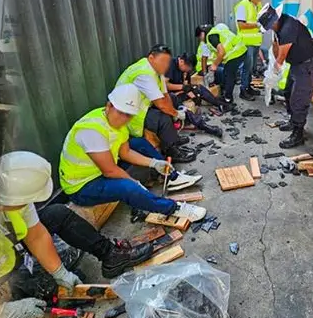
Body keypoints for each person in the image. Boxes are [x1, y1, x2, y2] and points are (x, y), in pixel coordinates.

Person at [0, 152, 155, 318]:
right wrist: (0, 311)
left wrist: (60, 273)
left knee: (56, 214)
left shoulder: (14, 199)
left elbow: (37, 235)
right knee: (38, 287)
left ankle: (111, 255)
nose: (28, 204)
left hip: (10, 251)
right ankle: (32, 300)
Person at [59, 84, 207, 220]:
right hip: (82, 186)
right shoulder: (91, 130)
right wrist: (136, 184)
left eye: (128, 115)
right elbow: (110, 171)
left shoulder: (119, 125)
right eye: (121, 112)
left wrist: (154, 163)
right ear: (109, 105)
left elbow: (126, 152)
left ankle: (172, 177)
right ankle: (173, 208)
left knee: (139, 143)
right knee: (127, 188)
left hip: (99, 171)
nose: (124, 118)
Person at [114, 44, 196, 163]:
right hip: (129, 114)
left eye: (167, 62)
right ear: (151, 58)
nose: (165, 65)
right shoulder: (144, 74)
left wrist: (174, 111)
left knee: (172, 99)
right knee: (162, 118)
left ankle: (172, 138)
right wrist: (176, 114)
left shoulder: (157, 72)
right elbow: (161, 104)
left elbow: (165, 95)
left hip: (142, 106)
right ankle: (171, 152)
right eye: (162, 61)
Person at [257, 5, 313, 149]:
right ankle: (293, 121)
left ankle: (298, 134)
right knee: (288, 93)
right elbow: (277, 47)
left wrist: (274, 72)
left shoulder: (288, 28)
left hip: (306, 66)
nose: (270, 29)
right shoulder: (280, 25)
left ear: (274, 21)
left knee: (299, 100)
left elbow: (282, 56)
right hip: (297, 65)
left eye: (269, 27)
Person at [164, 53, 225, 138]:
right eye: (187, 68)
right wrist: (182, 87)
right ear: (181, 62)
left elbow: (187, 85)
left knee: (198, 88)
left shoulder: (185, 68)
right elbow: (165, 85)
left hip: (180, 91)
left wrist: (191, 92)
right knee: (181, 106)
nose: (188, 71)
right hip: (170, 95)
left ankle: (219, 104)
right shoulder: (171, 65)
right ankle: (205, 127)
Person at [235, 0, 268, 100]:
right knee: (246, 68)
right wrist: (257, 25)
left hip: (255, 42)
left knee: (251, 68)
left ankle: (248, 87)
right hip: (246, 43)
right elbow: (241, 25)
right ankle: (243, 91)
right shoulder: (242, 6)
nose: (260, 0)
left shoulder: (257, 5)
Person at [206, 23, 247, 106]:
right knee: (227, 73)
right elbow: (218, 53)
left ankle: (228, 99)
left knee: (229, 75)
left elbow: (221, 52)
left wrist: (214, 65)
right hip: (240, 50)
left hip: (236, 53)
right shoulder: (219, 32)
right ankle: (226, 95)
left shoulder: (211, 36)